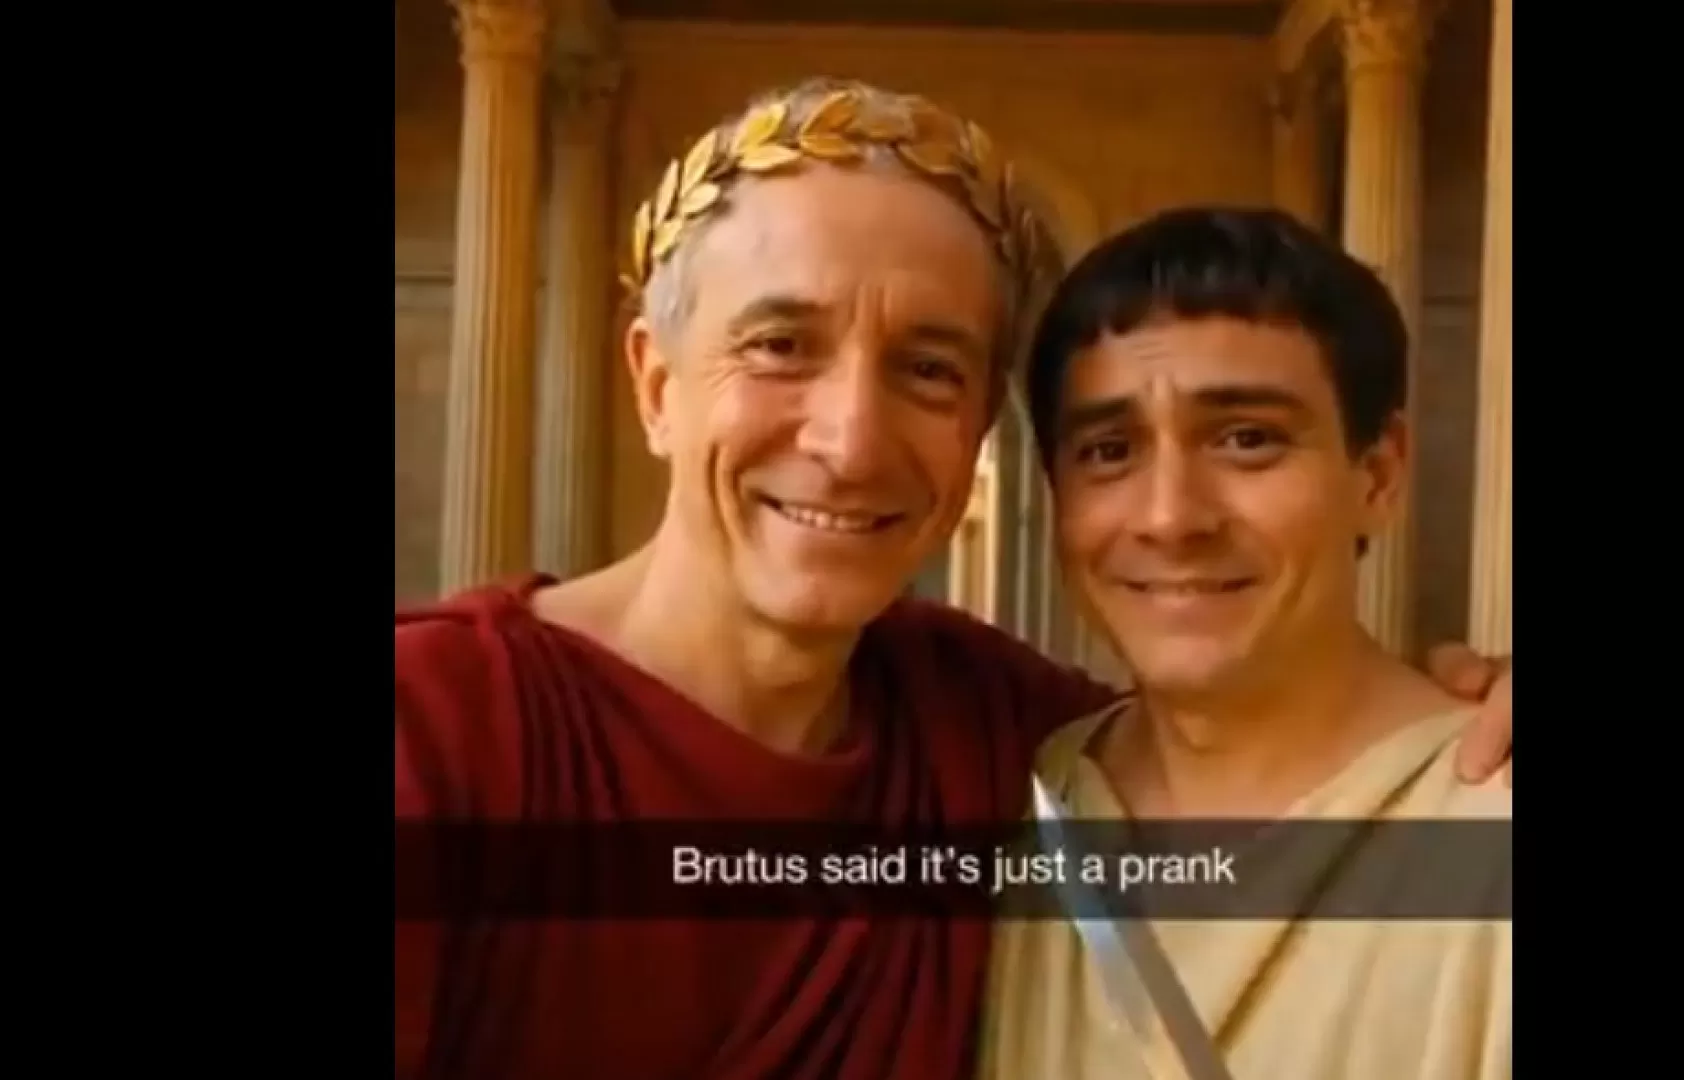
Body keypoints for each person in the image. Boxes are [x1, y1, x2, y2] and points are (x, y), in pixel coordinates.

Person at [394, 79, 1514, 1080]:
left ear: (979, 430)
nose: (851, 442)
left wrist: (1471, 701)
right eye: (781, 345)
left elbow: (1269, 726)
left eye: (928, 369)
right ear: (654, 384)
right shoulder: (438, 731)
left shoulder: (985, 730)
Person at [978, 206, 1510, 1080]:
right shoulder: (1012, 802)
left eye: (1247, 440)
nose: (1170, 518)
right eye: (1108, 451)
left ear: (1377, 475)